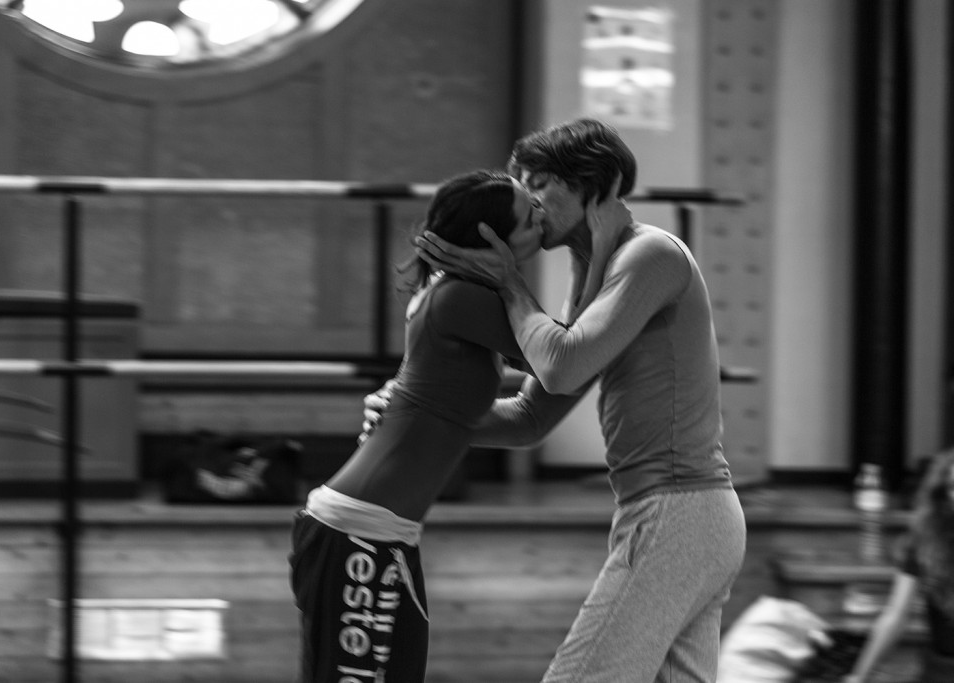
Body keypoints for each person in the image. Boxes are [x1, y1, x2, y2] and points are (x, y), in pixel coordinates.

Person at [363, 117, 747, 682]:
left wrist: (510, 287)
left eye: (540, 182)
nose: (529, 199)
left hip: (679, 511)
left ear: (598, 182)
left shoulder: (651, 255)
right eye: (522, 182)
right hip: (673, 515)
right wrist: (417, 420)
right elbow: (529, 417)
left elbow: (563, 367)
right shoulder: (589, 272)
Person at [288, 169, 543, 683]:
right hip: (357, 533)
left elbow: (541, 391)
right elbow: (560, 357)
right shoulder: (460, 297)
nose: (541, 214)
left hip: (384, 533)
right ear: (491, 238)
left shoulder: (465, 297)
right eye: (527, 213)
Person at [843, 449, 954, 683]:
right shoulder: (927, 537)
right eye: (953, 488)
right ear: (942, 495)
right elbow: (896, 614)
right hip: (940, 669)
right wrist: (858, 676)